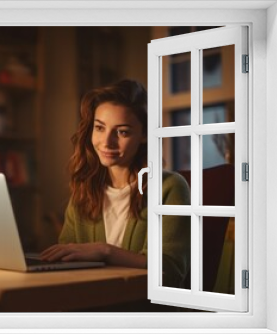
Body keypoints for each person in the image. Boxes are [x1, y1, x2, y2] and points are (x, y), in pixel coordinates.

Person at [40, 79, 191, 288]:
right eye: (100, 128)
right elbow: (67, 254)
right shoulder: (84, 190)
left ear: (145, 135)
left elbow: (171, 272)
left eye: (122, 132)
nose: (106, 142)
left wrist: (105, 251)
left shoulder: (171, 187)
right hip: (90, 303)